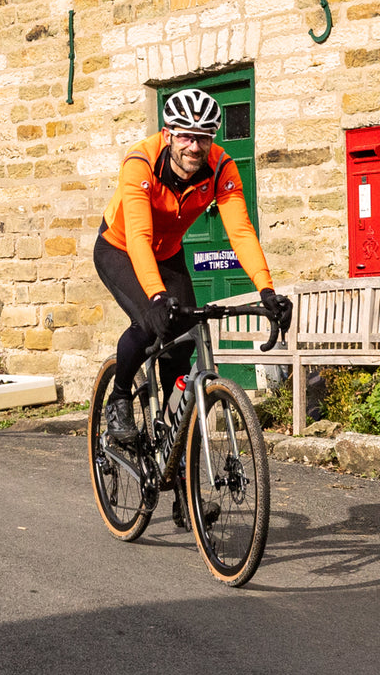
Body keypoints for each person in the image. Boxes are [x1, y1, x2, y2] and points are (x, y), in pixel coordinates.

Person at [94, 88, 285, 472]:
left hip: (168, 253)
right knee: (151, 324)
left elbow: (241, 232)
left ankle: (172, 441)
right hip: (121, 248)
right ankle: (118, 399)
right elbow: (139, 238)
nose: (194, 146)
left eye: (203, 137)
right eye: (185, 135)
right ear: (168, 135)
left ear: (212, 140)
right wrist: (156, 297)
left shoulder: (222, 168)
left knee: (181, 345)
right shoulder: (140, 163)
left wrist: (267, 290)